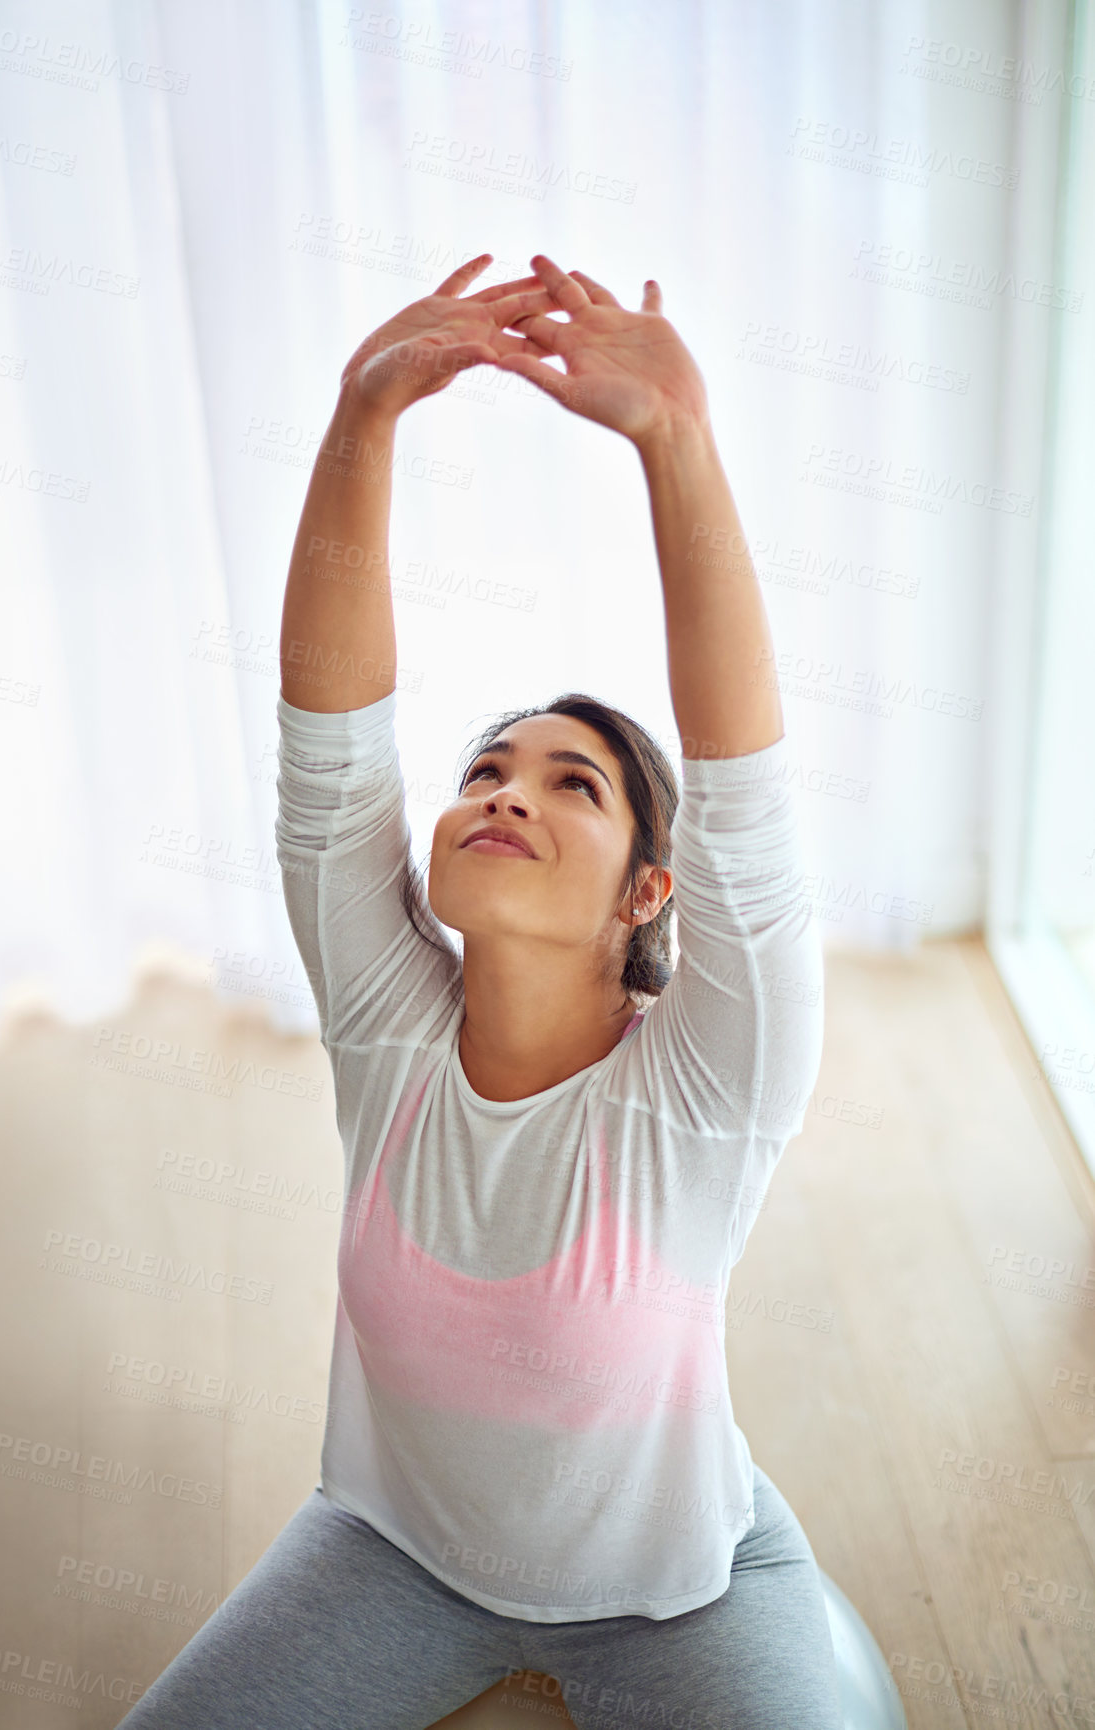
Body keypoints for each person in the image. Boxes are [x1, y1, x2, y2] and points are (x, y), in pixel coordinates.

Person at [117, 253, 843, 1729]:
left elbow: (747, 813)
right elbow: (329, 764)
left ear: (652, 889)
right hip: (386, 1556)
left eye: (569, 783)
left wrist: (676, 443)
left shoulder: (707, 1089)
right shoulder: (388, 1029)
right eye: (482, 771)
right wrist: (360, 415)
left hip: (681, 1598)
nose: (501, 793)